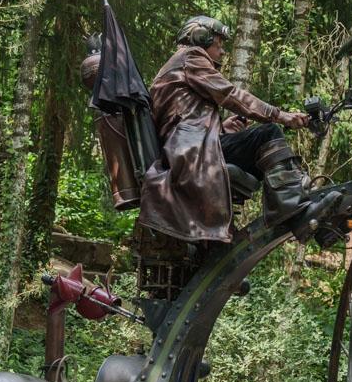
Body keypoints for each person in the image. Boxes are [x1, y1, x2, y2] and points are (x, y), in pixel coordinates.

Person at [139, 15, 333, 243]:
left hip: (187, 149)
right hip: (193, 152)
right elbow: (230, 94)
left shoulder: (176, 64)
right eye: (219, 44)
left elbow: (179, 119)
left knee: (262, 151)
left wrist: (223, 128)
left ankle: (292, 207)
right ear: (201, 38)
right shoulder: (191, 57)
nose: (222, 52)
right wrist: (282, 116)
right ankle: (292, 209)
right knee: (268, 133)